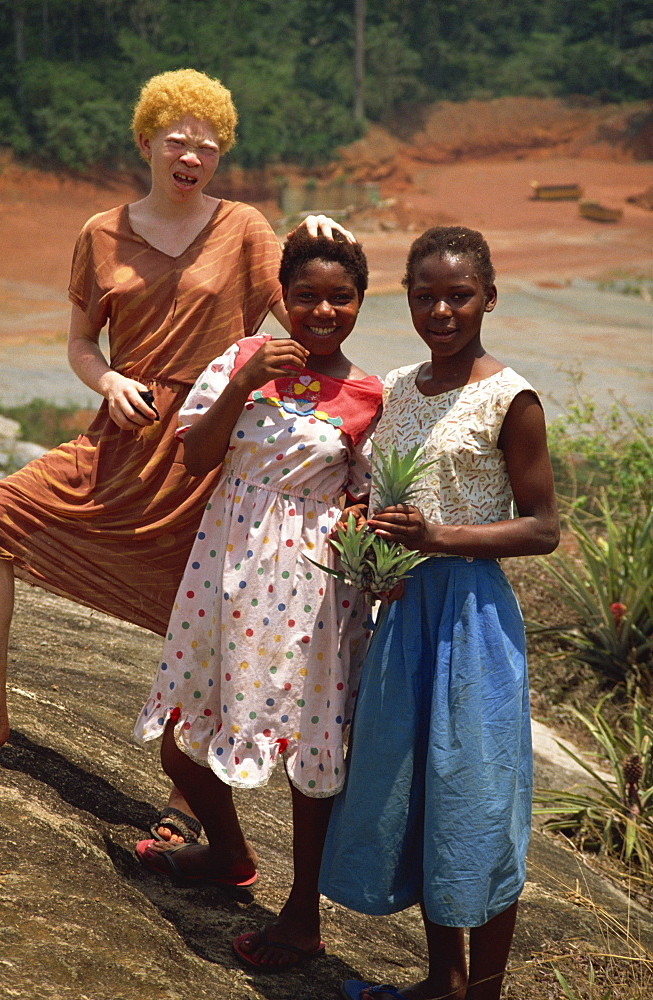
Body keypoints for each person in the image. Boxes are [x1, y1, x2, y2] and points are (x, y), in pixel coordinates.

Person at [0, 67, 351, 844]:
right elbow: (83, 345)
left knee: (206, 625)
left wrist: (317, 241)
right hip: (120, 437)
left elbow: (312, 324)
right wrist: (109, 378)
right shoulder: (99, 233)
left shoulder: (247, 228)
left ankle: (190, 808)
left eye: (209, 147)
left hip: (209, 455)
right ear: (146, 141)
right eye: (179, 141)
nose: (193, 155)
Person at [318, 226, 560, 1000]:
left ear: (489, 296)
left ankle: (482, 991)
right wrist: (370, 534)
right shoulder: (395, 388)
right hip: (406, 611)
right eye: (426, 296)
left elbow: (543, 526)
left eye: (459, 295)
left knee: (477, 802)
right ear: (409, 299)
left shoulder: (510, 396)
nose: (442, 310)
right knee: (422, 792)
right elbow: (385, 493)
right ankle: (443, 981)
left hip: (474, 616)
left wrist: (440, 535)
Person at [132, 227, 382, 970]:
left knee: (308, 752)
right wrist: (245, 381)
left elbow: (367, 494)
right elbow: (194, 456)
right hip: (224, 565)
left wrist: (363, 529)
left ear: (362, 302)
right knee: (185, 737)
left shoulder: (372, 394)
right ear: (283, 299)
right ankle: (230, 857)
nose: (323, 310)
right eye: (306, 296)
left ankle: (302, 916)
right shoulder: (241, 357)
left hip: (309, 587)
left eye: (341, 297)